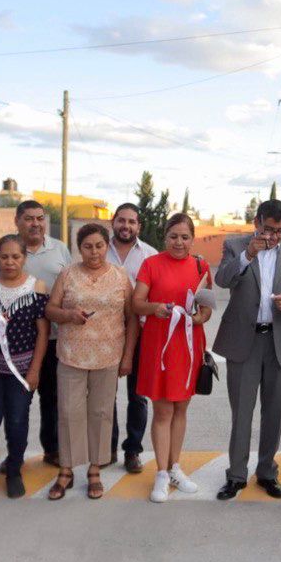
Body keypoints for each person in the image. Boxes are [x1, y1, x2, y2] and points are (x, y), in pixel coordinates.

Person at [212, 199, 281, 500]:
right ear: (257, 222)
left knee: (274, 412)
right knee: (241, 413)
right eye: (269, 229)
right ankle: (236, 475)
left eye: (280, 231)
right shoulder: (235, 245)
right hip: (244, 341)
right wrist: (247, 255)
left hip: (279, 341)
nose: (273, 237)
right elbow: (222, 279)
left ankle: (267, 472)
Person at [44, 224, 133, 501]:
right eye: (87, 246)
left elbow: (131, 319)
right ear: (78, 248)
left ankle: (95, 469)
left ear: (107, 246)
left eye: (99, 246)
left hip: (108, 357)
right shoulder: (68, 273)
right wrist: (69, 315)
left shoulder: (120, 277)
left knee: (101, 413)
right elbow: (50, 309)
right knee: (69, 413)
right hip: (72, 355)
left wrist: (127, 356)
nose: (94, 252)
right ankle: (67, 470)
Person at [134, 214, 215, 503]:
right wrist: (155, 308)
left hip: (189, 345)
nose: (179, 242)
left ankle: (175, 467)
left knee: (181, 408)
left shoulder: (201, 266)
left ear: (192, 239)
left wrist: (198, 317)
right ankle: (161, 472)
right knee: (163, 411)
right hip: (160, 346)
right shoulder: (151, 264)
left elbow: (208, 306)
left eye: (184, 237)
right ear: (164, 237)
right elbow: (136, 303)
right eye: (173, 236)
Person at [0, 200, 71, 467]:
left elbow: (70, 285)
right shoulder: (6, 250)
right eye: (29, 218)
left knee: (52, 398)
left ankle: (52, 449)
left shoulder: (59, 249)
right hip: (17, 341)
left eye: (40, 218)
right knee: (16, 404)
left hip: (54, 338)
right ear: (17, 221)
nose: (35, 223)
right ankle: (15, 456)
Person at [0, 235, 50, 501]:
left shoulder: (37, 287)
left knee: (17, 420)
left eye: (15, 257)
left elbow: (42, 333)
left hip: (22, 370)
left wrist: (35, 370)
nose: (10, 262)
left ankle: (14, 471)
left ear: (24, 258)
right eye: (4, 256)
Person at [105, 203, 157, 473]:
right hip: (104, 335)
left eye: (132, 222)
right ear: (113, 222)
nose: (126, 226)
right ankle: (107, 449)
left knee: (138, 396)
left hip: (142, 334)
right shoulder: (100, 251)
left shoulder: (150, 256)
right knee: (106, 395)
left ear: (139, 226)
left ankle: (133, 450)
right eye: (121, 220)